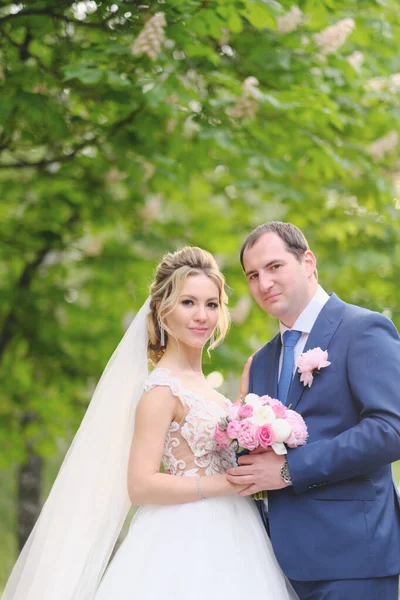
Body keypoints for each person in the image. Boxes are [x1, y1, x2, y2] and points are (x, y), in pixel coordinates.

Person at [2, 246, 296, 600]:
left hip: (240, 534)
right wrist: (228, 483)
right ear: (162, 310)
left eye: (211, 304)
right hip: (184, 540)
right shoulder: (161, 388)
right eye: (189, 303)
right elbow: (140, 485)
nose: (202, 315)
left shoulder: (214, 395)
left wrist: (246, 417)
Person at [227, 221, 400, 600]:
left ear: (307, 262)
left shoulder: (364, 329)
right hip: (276, 563)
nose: (263, 283)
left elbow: (391, 430)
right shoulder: (262, 361)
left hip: (354, 558)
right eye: (253, 275)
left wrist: (291, 470)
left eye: (274, 267)